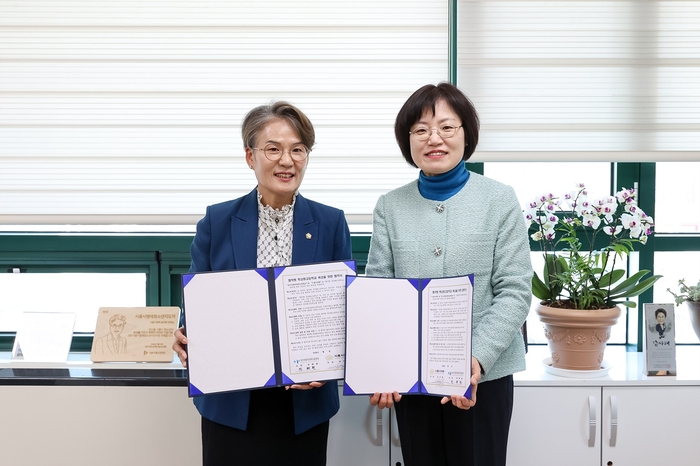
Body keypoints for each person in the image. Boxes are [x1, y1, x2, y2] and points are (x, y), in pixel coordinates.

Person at [172, 101, 352, 466]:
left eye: (298, 149)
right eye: (273, 149)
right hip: (232, 403)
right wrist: (185, 332)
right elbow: (199, 303)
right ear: (250, 156)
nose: (286, 160)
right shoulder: (217, 221)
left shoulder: (331, 223)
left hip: (304, 406)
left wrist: (327, 361)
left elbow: (344, 310)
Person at [366, 82, 532, 466]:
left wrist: (474, 359)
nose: (433, 139)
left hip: (483, 378)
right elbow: (378, 293)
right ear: (408, 140)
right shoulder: (390, 206)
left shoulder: (498, 198)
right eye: (421, 130)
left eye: (446, 127)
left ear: (466, 134)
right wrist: (381, 364)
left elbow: (515, 289)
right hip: (412, 381)